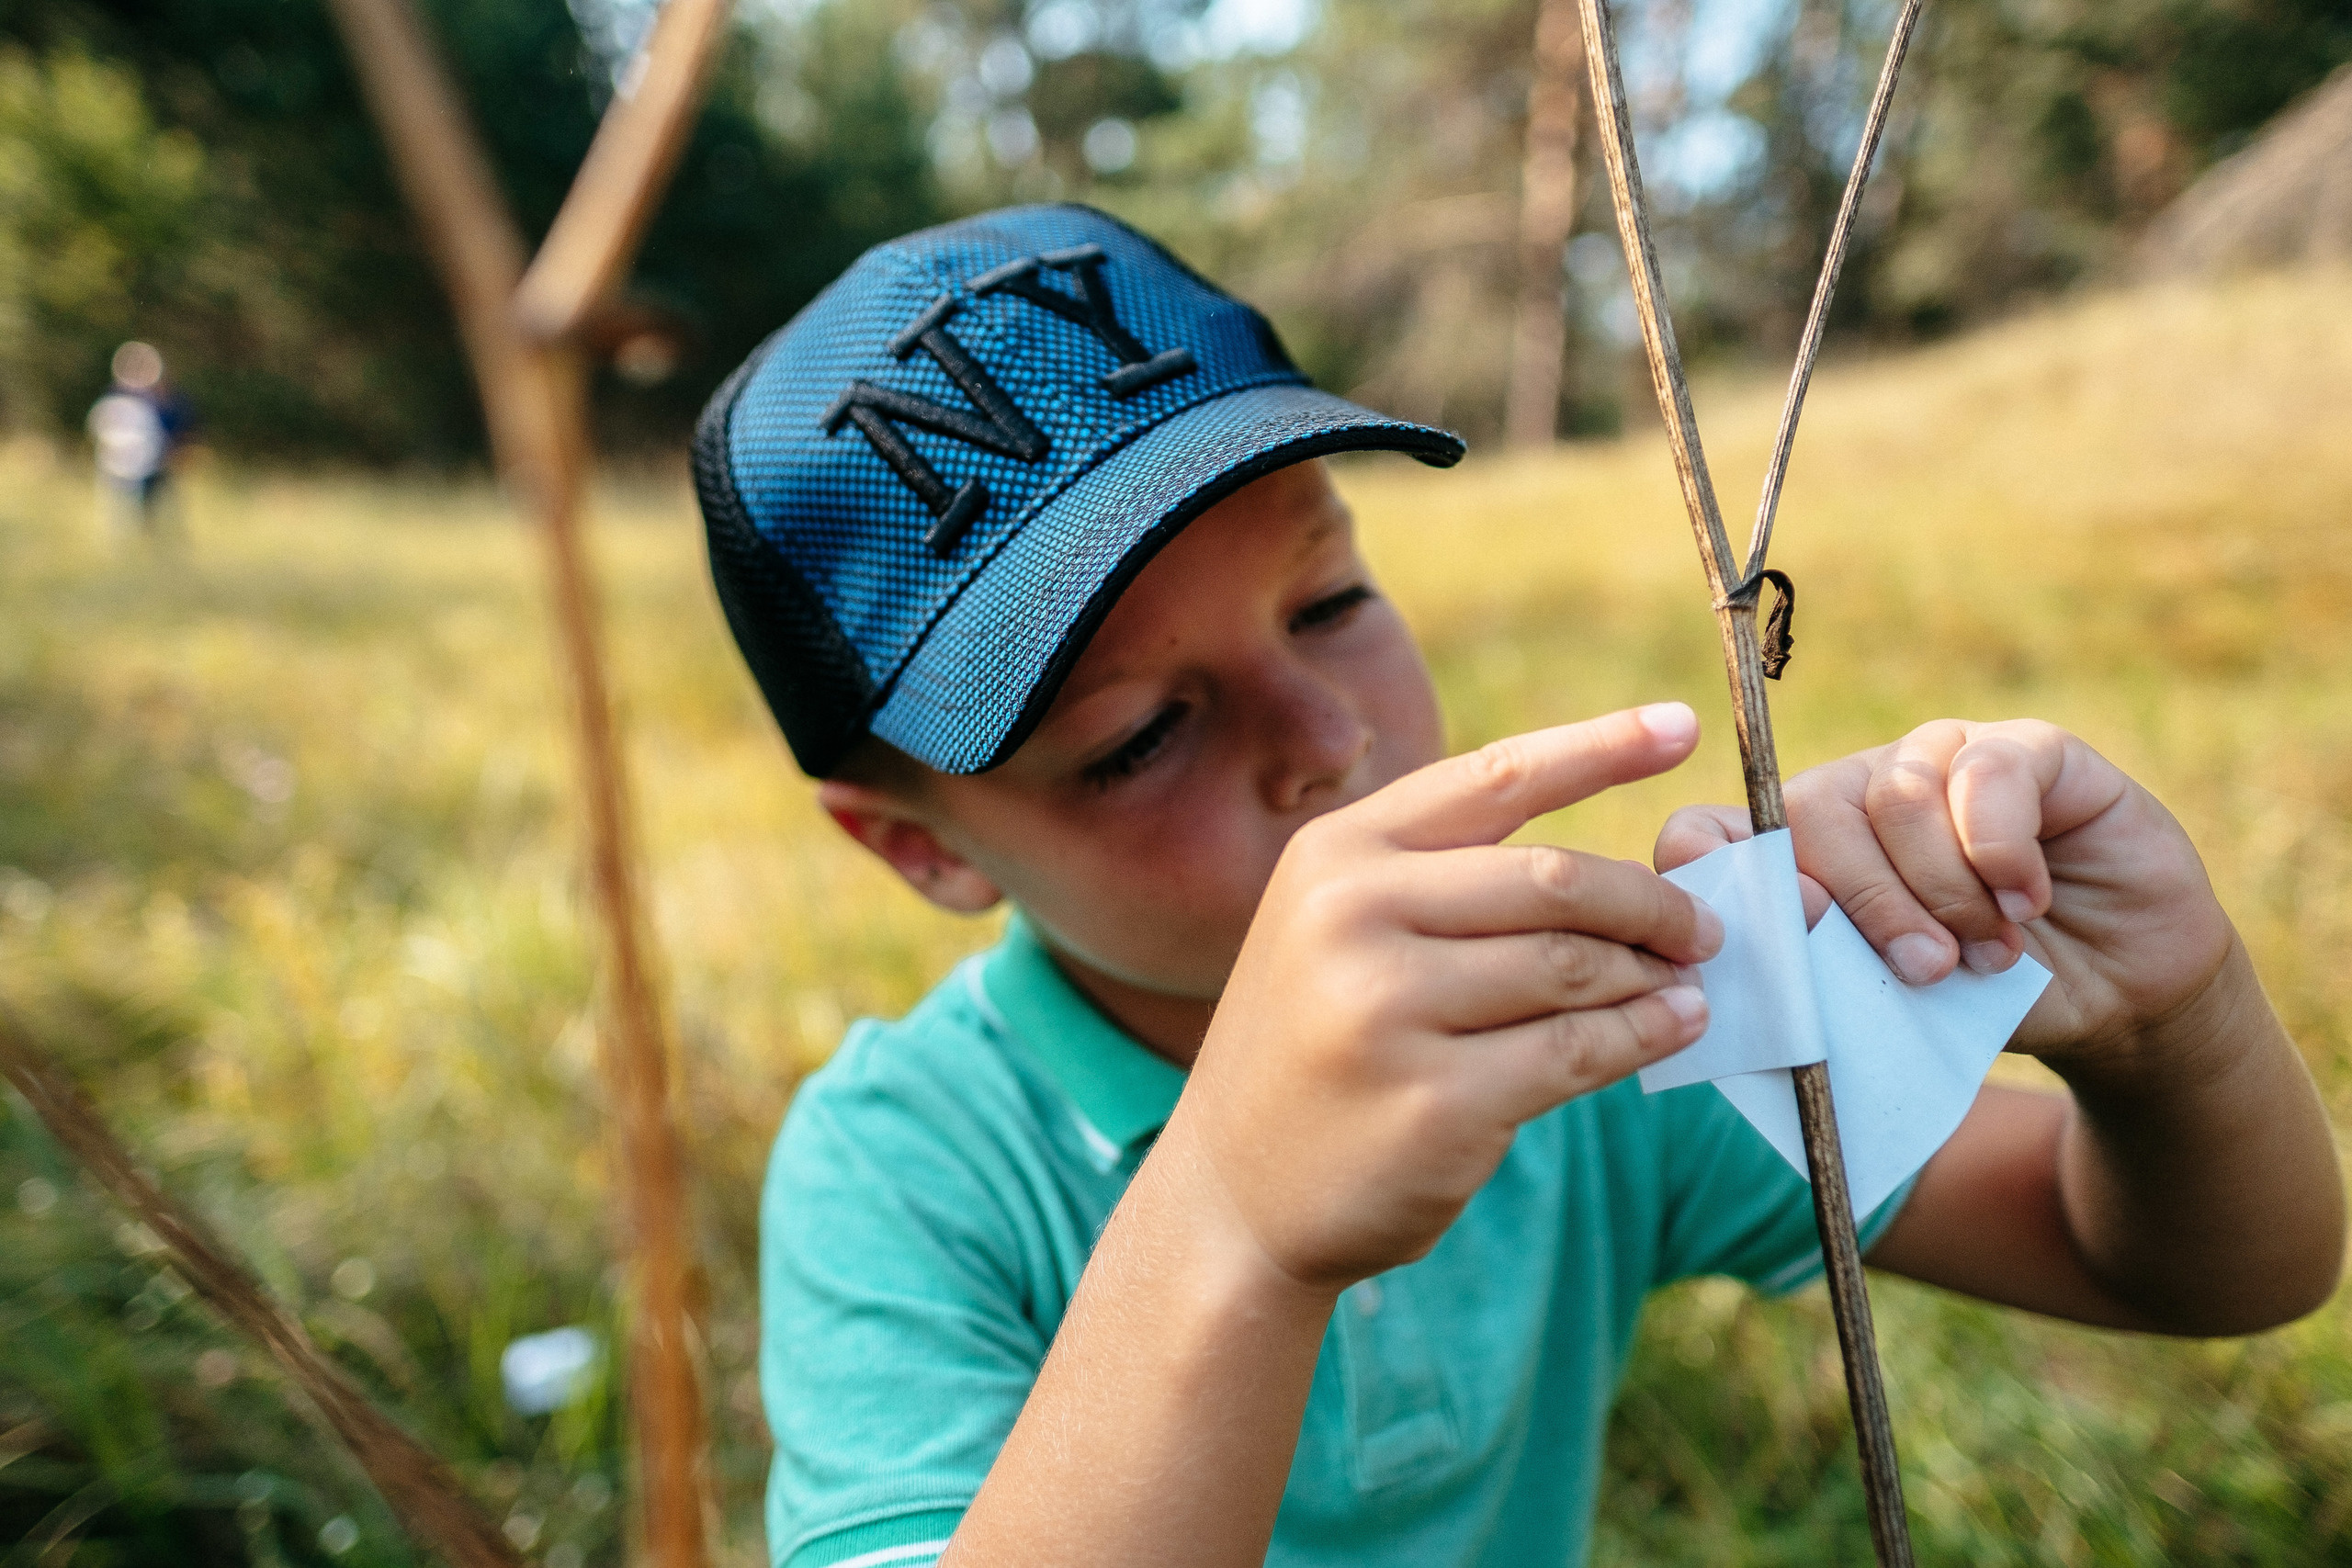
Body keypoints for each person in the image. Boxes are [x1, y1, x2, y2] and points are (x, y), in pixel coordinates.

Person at [692, 206, 2344, 1568]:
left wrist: (2170, 1026)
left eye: (1328, 596)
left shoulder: (1580, 1028)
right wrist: (1236, 1222)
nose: (1327, 739)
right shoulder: (904, 1167)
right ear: (918, 844)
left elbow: (2186, 1266)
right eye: (1135, 737)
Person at [87, 341, 192, 542]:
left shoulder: (162, 397)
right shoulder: (114, 397)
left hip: (154, 463)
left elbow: (174, 426)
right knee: (119, 510)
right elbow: (101, 427)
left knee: (158, 509)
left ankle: (158, 541)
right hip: (118, 465)